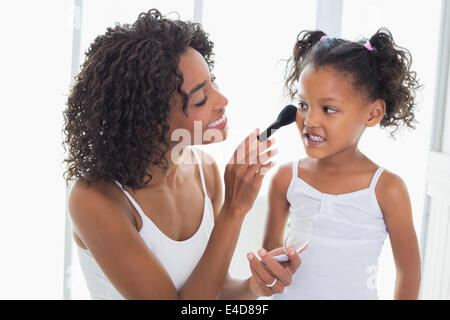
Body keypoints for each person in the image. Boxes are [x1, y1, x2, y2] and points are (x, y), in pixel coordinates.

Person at [63, 9, 301, 300]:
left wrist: (256, 285)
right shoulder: (95, 200)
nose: (222, 101)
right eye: (201, 98)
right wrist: (234, 210)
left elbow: (212, 290)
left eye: (212, 82)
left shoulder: (206, 172)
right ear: (150, 119)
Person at [263, 29, 421, 299]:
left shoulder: (387, 189)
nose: (309, 120)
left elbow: (408, 272)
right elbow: (270, 262)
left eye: (329, 109)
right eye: (303, 104)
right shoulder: (285, 178)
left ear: (373, 113)